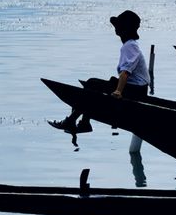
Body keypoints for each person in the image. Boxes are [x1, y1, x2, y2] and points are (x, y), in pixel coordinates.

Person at [49, 10, 150, 142]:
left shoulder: (129, 46)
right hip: (136, 88)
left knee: (92, 84)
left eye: (119, 26)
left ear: (125, 29)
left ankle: (74, 121)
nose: (116, 28)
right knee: (91, 85)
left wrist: (118, 91)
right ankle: (82, 122)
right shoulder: (129, 45)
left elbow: (126, 72)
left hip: (136, 91)